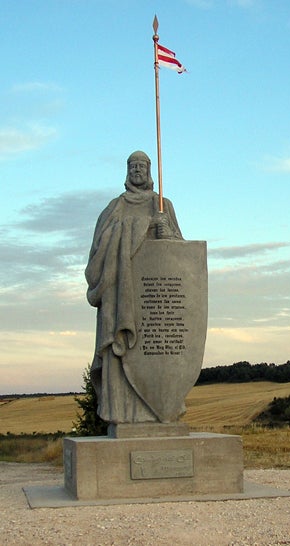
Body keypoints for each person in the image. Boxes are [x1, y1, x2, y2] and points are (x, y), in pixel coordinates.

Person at [85, 151, 183, 424]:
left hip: (155, 302)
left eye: (142, 165)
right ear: (127, 171)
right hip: (118, 301)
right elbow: (100, 247)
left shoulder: (163, 206)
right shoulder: (115, 207)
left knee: (158, 358)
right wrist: (144, 225)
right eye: (133, 166)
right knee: (121, 356)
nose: (137, 170)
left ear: (150, 171)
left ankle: (160, 410)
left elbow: (181, 257)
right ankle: (121, 413)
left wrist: (168, 234)